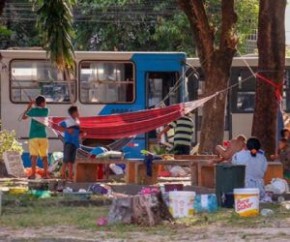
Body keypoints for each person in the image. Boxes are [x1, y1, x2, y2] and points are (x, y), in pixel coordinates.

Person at [22, 96, 49, 179]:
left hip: (33, 136)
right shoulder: (46, 110)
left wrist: (30, 105)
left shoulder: (33, 111)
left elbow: (24, 117)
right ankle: (46, 175)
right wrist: (35, 104)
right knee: (44, 157)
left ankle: (33, 174)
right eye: (45, 102)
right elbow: (41, 110)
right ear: (42, 103)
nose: (46, 103)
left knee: (34, 156)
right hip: (43, 136)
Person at [58, 106, 82, 181]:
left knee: (71, 161)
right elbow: (58, 127)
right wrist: (67, 130)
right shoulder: (67, 121)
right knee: (66, 160)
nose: (78, 113)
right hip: (68, 143)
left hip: (75, 143)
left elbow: (78, 132)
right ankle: (62, 175)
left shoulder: (77, 122)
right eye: (77, 112)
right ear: (73, 113)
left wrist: (82, 134)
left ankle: (70, 176)